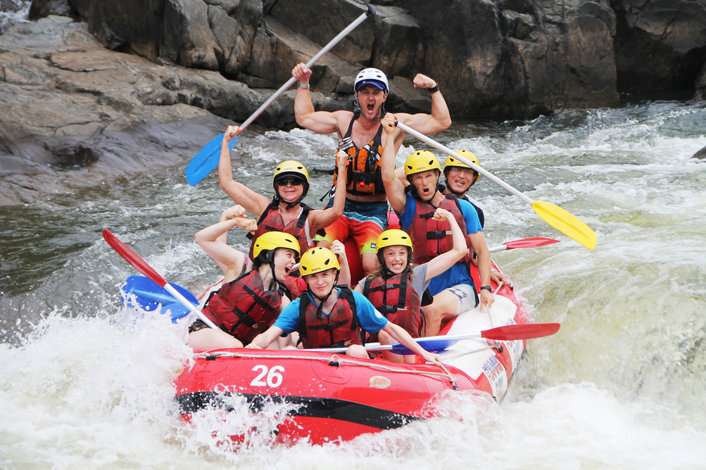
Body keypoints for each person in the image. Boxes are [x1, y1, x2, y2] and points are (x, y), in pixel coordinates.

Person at [291, 63, 452, 274]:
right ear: (357, 96)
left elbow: (442, 121)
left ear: (384, 96)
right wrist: (303, 83)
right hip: (339, 205)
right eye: (365, 92)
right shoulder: (343, 120)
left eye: (376, 93)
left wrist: (433, 88)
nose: (370, 98)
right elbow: (304, 118)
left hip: (373, 210)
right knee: (322, 252)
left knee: (370, 265)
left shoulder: (395, 124)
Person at [380, 114, 494, 336]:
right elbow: (387, 177)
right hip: (424, 281)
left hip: (460, 286)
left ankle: (428, 365)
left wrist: (486, 287)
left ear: (436, 177)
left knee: (430, 309)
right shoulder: (407, 207)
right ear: (411, 182)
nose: (424, 182)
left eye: (428, 177)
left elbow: (481, 250)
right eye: (418, 178)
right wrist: (389, 136)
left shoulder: (463, 209)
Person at [247, 246, 443, 365]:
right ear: (306, 279)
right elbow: (269, 335)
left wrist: (423, 353)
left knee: (356, 350)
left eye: (325, 275)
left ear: (334, 275)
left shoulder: (353, 300)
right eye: (313, 277)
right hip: (315, 366)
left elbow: (391, 329)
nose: (320, 282)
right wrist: (253, 346)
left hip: (350, 370)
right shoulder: (298, 307)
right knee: (289, 351)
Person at [218, 125, 348, 260]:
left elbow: (337, 211)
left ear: (304, 187)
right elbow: (226, 182)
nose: (289, 186)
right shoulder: (262, 207)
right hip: (260, 276)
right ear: (276, 186)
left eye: (295, 181)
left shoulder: (311, 219)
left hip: (293, 278)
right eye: (283, 182)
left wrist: (342, 167)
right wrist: (226, 142)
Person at [355, 213, 467, 363]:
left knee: (387, 334)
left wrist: (450, 217)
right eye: (391, 254)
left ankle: (399, 375)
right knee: (384, 335)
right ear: (382, 257)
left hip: (410, 350)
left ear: (408, 256)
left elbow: (459, 251)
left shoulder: (417, 275)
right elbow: (348, 306)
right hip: (377, 350)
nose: (397, 259)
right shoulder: (366, 283)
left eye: (402, 253)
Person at [188, 231, 300, 350]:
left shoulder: (281, 298)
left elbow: (287, 326)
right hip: (204, 331)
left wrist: (286, 348)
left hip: (240, 345)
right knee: (235, 345)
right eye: (289, 255)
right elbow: (202, 238)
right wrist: (233, 221)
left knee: (291, 338)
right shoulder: (242, 267)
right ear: (268, 254)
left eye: (295, 258)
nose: (293, 261)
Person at [443, 151, 509, 286]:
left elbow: (475, 254)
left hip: (453, 266)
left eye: (467, 172)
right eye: (456, 169)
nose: (461, 176)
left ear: (474, 178)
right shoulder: (429, 194)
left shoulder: (475, 212)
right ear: (446, 174)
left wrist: (489, 270)